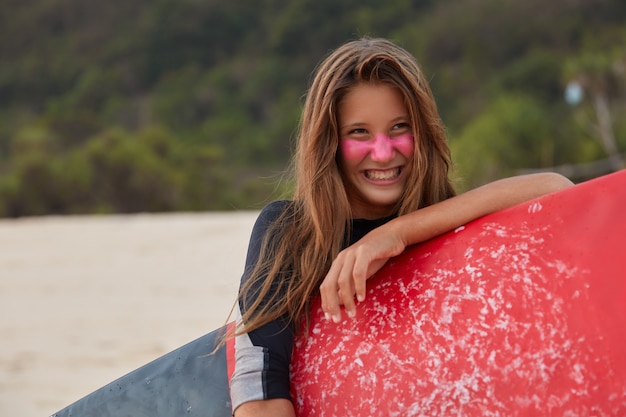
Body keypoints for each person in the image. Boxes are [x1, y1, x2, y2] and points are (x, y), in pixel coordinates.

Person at [229, 37, 573, 417]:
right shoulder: (289, 233)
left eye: (399, 128)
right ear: (329, 142)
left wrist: (397, 233)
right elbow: (259, 393)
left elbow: (557, 190)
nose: (383, 152)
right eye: (359, 132)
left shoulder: (446, 219)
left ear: (422, 133)